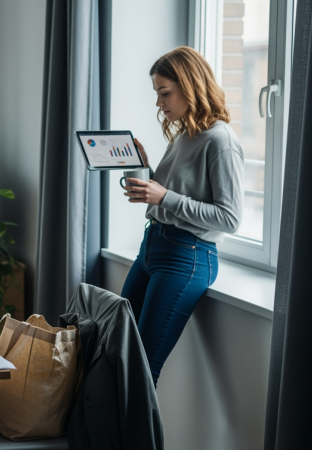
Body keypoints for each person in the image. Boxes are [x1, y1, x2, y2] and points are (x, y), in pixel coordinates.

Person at [120, 47, 244, 386]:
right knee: (118, 349)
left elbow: (230, 217)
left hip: (186, 257)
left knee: (141, 370)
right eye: (157, 94)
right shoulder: (183, 135)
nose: (159, 104)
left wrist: (165, 196)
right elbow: (169, 197)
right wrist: (145, 168)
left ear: (189, 85)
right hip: (153, 249)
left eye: (164, 93)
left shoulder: (220, 140)